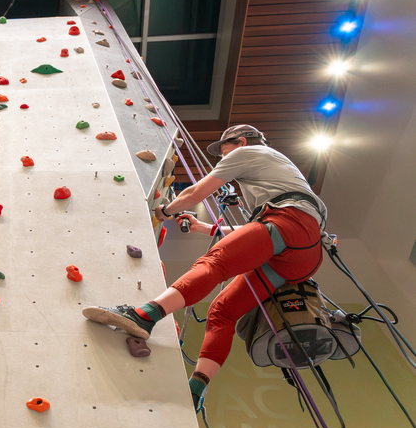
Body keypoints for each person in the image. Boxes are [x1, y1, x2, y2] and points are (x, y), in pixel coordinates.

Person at [82, 125, 327, 410]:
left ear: (241, 142)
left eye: (224, 150)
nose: (222, 158)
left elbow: (196, 192)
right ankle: (196, 389)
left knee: (214, 262)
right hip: (302, 253)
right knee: (222, 312)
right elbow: (261, 233)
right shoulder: (279, 175)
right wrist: (203, 227)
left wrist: (166, 210)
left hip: (287, 225)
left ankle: (143, 316)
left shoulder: (248, 152)